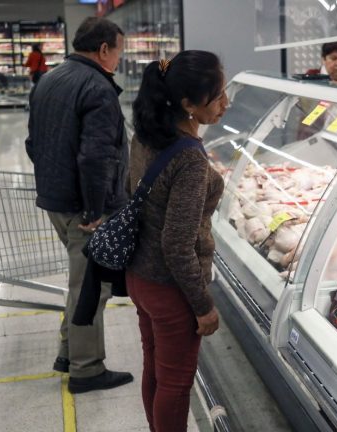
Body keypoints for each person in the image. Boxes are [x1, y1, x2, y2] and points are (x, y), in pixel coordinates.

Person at [25, 17, 133, 393]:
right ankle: (86, 370)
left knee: (79, 284)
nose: (118, 59)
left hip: (57, 201)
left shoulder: (49, 79)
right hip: (84, 210)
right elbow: (96, 157)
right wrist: (94, 209)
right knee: (91, 288)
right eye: (118, 51)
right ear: (103, 49)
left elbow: (33, 144)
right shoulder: (98, 88)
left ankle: (68, 353)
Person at [127, 50, 227, 431]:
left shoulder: (146, 135)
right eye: (217, 96)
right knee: (176, 383)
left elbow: (131, 193)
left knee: (154, 367)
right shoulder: (189, 159)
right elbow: (178, 244)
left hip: (140, 276)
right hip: (171, 290)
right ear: (188, 104)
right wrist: (203, 307)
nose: (226, 103)